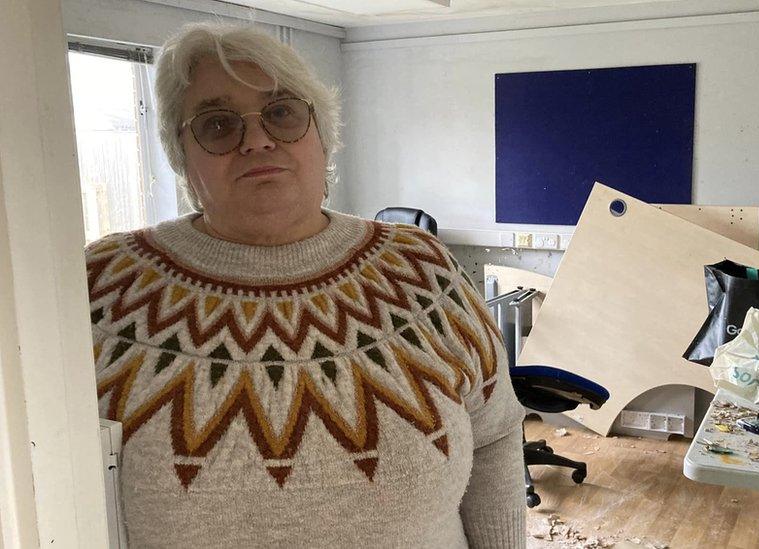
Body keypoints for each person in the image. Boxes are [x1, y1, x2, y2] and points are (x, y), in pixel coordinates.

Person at [85, 22, 526, 548]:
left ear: (323, 135)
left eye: (282, 112)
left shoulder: (424, 272)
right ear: (181, 154)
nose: (258, 140)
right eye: (219, 124)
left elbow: (495, 434)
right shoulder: (100, 288)